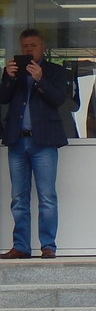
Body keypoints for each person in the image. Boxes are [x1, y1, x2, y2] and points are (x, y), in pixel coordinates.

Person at [0, 29, 69, 258]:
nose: (28, 49)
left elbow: (59, 99)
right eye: (25, 46)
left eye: (33, 45)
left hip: (44, 142)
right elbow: (3, 98)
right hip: (17, 141)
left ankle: (48, 245)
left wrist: (40, 79)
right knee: (19, 197)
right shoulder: (13, 71)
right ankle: (20, 246)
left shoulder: (55, 71)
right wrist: (8, 78)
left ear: (43, 48)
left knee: (47, 196)